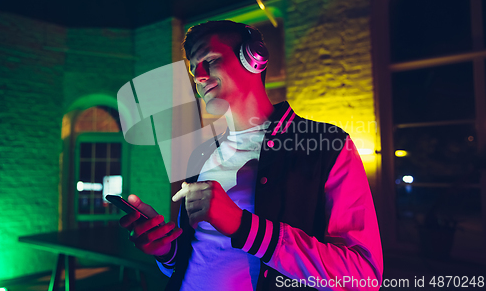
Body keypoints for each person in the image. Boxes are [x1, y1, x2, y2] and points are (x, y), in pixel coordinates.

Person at [120, 20, 383, 290]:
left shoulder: (327, 146)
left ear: (254, 59)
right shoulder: (200, 153)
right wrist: (166, 250)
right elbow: (198, 259)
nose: (198, 76)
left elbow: (363, 276)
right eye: (192, 68)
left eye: (209, 60)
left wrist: (243, 227)